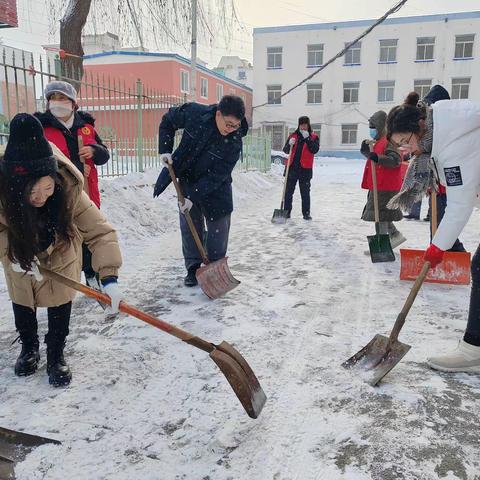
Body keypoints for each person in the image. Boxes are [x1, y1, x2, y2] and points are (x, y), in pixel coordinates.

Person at [0, 114, 123, 386]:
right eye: (32, 192)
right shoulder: (2, 192)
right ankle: (29, 347)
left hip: (60, 252)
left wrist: (109, 278)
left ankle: (56, 354)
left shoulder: (67, 188)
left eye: (47, 186)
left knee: (59, 304)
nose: (41, 196)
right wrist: (14, 253)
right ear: (15, 186)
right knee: (22, 299)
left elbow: (100, 231)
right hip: (19, 257)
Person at [386, 92, 480, 372]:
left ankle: (473, 350)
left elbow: (460, 205)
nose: (405, 151)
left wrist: (438, 246)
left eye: (405, 142)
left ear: (419, 128)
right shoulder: (441, 118)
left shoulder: (451, 146)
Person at [153, 95, 248, 287]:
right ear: (218, 114)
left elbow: (217, 175)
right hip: (188, 176)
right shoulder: (195, 114)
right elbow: (168, 120)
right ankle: (193, 267)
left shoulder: (235, 141)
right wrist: (165, 148)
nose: (230, 130)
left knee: (219, 227)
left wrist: (192, 196)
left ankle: (215, 265)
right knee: (190, 224)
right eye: (228, 124)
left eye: (235, 126)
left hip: (216, 186)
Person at [34, 80, 111, 290]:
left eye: (62, 98)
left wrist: (95, 151)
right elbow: (36, 161)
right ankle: (60, 280)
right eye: (53, 98)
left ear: (73, 103)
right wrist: (77, 166)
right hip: (56, 193)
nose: (57, 102)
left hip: (86, 191)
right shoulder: (41, 128)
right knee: (61, 235)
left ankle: (91, 274)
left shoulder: (86, 128)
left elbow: (104, 154)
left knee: (88, 233)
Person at [360, 110, 405, 248]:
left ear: (380, 126)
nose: (371, 130)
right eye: (370, 127)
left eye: (373, 127)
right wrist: (367, 152)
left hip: (386, 186)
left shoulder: (390, 141)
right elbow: (375, 159)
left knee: (380, 216)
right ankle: (394, 236)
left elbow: (395, 160)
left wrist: (376, 157)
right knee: (380, 215)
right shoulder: (379, 142)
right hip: (378, 184)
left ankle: (382, 246)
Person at [282, 116, 319, 220]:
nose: (303, 126)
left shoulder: (313, 137)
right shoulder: (293, 136)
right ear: (298, 125)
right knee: (288, 192)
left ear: (308, 125)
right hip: (292, 168)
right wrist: (289, 145)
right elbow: (285, 150)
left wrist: (308, 139)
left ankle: (306, 213)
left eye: (305, 124)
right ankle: (287, 212)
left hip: (305, 170)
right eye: (301, 124)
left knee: (305, 193)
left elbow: (314, 150)